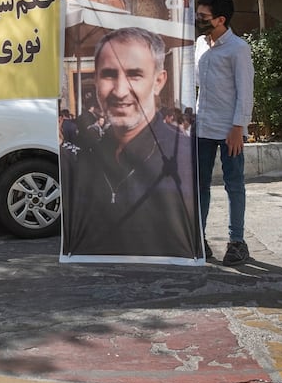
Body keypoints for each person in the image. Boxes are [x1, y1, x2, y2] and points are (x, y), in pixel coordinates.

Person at [61, 26, 198, 259]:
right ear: (95, 81)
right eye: (108, 74)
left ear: (158, 81)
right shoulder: (88, 158)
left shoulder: (183, 159)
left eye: (134, 75)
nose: (120, 91)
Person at [194, 0, 254, 266]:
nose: (198, 20)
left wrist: (238, 127)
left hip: (229, 128)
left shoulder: (238, 48)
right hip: (203, 125)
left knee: (234, 185)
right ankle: (198, 238)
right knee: (200, 185)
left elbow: (245, 91)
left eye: (203, 17)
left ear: (221, 19)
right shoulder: (199, 44)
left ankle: (237, 242)